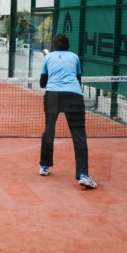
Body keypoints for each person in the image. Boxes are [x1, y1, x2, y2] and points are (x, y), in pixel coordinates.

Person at [38, 33, 97, 189]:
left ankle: (44, 166)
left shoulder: (47, 58)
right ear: (68, 44)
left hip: (52, 96)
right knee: (79, 135)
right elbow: (78, 79)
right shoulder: (75, 57)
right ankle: (83, 174)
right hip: (74, 96)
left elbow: (42, 83)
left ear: (54, 45)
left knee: (49, 131)